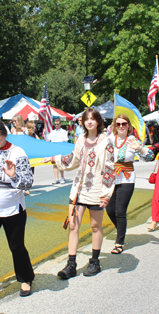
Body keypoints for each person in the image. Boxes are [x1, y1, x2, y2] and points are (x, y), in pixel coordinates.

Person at [42, 108, 115, 278]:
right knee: (73, 225)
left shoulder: (106, 142)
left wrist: (106, 194)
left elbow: (110, 169)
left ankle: (95, 262)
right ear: (82, 122)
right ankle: (71, 264)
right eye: (86, 119)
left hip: (97, 190)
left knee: (96, 226)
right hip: (78, 190)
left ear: (98, 121)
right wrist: (54, 158)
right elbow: (73, 160)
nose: (90, 121)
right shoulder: (81, 140)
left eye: (93, 119)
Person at [0, 119, 35, 303]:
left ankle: (25, 278)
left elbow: (28, 182)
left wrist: (14, 176)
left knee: (16, 246)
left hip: (13, 209)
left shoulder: (17, 152)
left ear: (4, 135)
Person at [106, 114, 147, 255]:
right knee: (110, 210)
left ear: (128, 125)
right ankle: (121, 230)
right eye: (118, 124)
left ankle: (119, 242)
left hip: (127, 178)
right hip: (111, 178)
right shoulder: (109, 139)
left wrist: (139, 148)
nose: (121, 126)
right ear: (114, 126)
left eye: (124, 123)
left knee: (120, 211)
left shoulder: (132, 140)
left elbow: (150, 156)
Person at [46, 118, 69, 184]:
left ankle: (62, 177)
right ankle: (56, 178)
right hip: (54, 149)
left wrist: (62, 141)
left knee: (60, 163)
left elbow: (66, 139)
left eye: (57, 124)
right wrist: (45, 133)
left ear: (60, 124)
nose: (56, 125)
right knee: (54, 164)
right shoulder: (52, 132)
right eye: (55, 124)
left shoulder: (63, 131)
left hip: (60, 149)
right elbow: (48, 139)